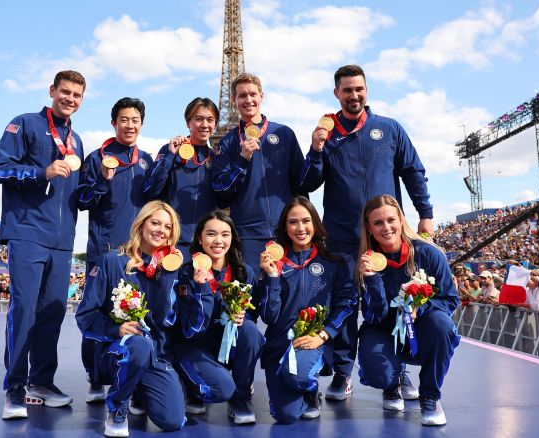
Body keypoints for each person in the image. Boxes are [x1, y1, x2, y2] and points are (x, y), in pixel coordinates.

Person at [300, 65, 433, 400]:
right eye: (347, 90)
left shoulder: (388, 129)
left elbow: (413, 171)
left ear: (367, 90)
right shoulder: (326, 134)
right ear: (337, 94)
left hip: (385, 237)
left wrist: (426, 214)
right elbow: (308, 183)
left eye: (359, 89)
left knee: (394, 301)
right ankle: (342, 373)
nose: (354, 95)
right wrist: (315, 150)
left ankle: (398, 372)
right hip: (342, 235)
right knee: (343, 303)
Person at [0, 70, 86, 420]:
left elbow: (78, 195)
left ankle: (41, 382)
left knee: (52, 313)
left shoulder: (77, 142)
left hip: (62, 241)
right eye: (65, 92)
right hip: (27, 232)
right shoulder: (25, 124)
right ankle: (14, 389)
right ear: (52, 91)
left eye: (76, 95)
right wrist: (39, 173)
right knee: (24, 310)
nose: (70, 99)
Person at [76, 201, 185, 437]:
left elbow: (166, 321)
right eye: (155, 222)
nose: (160, 230)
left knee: (173, 420)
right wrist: (116, 330)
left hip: (152, 354)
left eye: (167, 227)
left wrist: (167, 278)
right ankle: (117, 407)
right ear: (142, 224)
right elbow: (85, 316)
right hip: (113, 351)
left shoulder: (169, 269)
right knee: (138, 344)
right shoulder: (111, 261)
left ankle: (138, 389)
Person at [356, 195, 459, 426]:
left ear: (401, 220)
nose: (386, 227)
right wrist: (371, 279)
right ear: (369, 228)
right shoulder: (366, 262)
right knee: (378, 374)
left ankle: (430, 395)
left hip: (420, 328)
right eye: (378, 223)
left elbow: (450, 300)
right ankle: (392, 382)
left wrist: (419, 308)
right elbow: (375, 316)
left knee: (442, 325)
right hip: (383, 329)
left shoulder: (429, 254)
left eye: (391, 220)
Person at [257, 197, 356, 423]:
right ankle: (298, 387)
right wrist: (271, 277)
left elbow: (347, 303)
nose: (300, 228)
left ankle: (308, 387)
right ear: (285, 227)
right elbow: (269, 316)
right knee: (286, 416)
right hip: (279, 345)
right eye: (293, 222)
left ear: (315, 224)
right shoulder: (274, 263)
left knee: (300, 376)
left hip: (313, 342)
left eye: (306, 221)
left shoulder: (332, 261)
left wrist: (323, 335)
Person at [210, 73, 306, 272]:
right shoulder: (228, 142)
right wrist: (242, 159)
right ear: (234, 100)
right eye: (242, 95)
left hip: (285, 231)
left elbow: (301, 183)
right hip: (247, 234)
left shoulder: (284, 134)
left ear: (262, 96)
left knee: (287, 295)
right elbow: (221, 191)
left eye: (252, 94)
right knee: (249, 294)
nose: (248, 100)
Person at [174, 210, 262, 424]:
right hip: (196, 346)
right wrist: (202, 289)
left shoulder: (244, 273)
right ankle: (191, 386)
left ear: (232, 238)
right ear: (199, 238)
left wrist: (243, 316)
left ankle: (241, 399)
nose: (218, 240)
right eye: (211, 234)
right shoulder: (185, 274)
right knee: (222, 390)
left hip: (228, 345)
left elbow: (254, 312)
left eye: (225, 234)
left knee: (250, 331)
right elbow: (188, 330)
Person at [79, 97, 154, 274]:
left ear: (141, 124)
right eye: (124, 120)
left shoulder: (146, 160)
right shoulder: (97, 158)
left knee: (137, 302)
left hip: (139, 250)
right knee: (100, 302)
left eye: (135, 121)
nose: (130, 125)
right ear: (114, 123)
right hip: (105, 250)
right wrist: (103, 181)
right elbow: (82, 201)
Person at [144, 98, 221, 259]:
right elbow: (152, 190)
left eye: (210, 120)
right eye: (198, 119)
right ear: (188, 122)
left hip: (204, 242)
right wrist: (170, 156)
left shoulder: (216, 158)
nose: (204, 124)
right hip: (173, 239)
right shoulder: (170, 150)